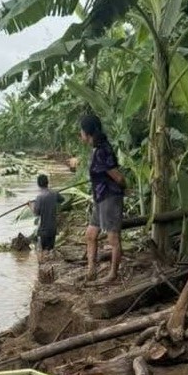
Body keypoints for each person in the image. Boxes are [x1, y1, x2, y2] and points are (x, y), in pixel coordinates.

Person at [79, 113, 126, 283]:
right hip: (99, 197)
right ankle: (91, 270)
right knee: (91, 234)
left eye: (81, 131)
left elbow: (118, 177)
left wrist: (124, 188)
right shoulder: (97, 149)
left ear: (87, 132)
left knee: (113, 238)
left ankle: (112, 274)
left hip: (109, 196)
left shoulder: (102, 151)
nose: (80, 134)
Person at [30, 173, 64, 262]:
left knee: (41, 251)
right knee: (49, 250)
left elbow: (36, 213)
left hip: (43, 229)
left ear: (38, 184)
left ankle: (41, 269)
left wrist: (30, 205)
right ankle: (47, 268)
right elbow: (62, 200)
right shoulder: (54, 193)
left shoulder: (39, 198)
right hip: (53, 228)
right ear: (47, 182)